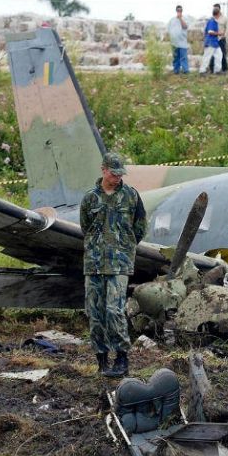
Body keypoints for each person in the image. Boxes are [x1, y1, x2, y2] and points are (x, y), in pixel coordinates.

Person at [80, 152, 147, 378]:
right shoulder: (90, 198)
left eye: (120, 174)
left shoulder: (131, 196)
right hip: (95, 264)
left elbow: (139, 227)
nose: (117, 178)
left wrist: (125, 248)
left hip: (119, 264)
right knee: (95, 312)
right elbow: (85, 227)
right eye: (114, 173)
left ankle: (121, 358)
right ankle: (101, 360)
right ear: (104, 170)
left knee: (114, 310)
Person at [199, 8, 224, 74]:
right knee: (207, 56)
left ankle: (217, 70)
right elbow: (210, 32)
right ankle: (202, 71)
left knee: (219, 55)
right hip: (210, 42)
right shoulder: (212, 21)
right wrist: (219, 33)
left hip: (215, 42)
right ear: (218, 14)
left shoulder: (214, 21)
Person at [168, 5, 189, 74]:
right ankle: (176, 70)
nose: (179, 11)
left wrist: (180, 19)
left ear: (182, 11)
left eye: (180, 10)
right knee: (175, 58)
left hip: (182, 42)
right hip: (174, 42)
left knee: (183, 57)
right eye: (178, 10)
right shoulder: (172, 20)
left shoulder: (185, 18)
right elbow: (169, 29)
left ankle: (185, 71)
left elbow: (185, 27)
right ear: (176, 11)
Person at [208, 4, 228, 73]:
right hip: (213, 39)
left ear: (219, 9)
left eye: (216, 9)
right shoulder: (212, 18)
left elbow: (227, 28)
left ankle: (224, 69)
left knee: (222, 54)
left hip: (221, 39)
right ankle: (212, 69)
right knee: (212, 54)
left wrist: (224, 36)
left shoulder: (224, 18)